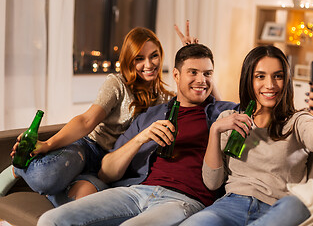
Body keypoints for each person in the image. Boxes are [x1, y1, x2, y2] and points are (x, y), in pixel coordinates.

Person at [37, 43, 237, 226]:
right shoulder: (151, 115)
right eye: (193, 72)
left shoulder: (225, 114)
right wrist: (142, 137)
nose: (201, 80)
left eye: (208, 73)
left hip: (184, 200)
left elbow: (259, 115)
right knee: (51, 220)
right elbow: (106, 172)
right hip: (136, 192)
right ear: (176, 75)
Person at [0, 26, 189, 205]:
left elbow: (204, 100)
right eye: (139, 58)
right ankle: (19, 168)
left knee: (86, 202)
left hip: (115, 167)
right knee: (44, 178)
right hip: (89, 149)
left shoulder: (166, 98)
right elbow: (86, 121)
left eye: (154, 56)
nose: (148, 64)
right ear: (129, 60)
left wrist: (192, 58)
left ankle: (64, 184)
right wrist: (48, 144)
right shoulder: (117, 84)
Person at [179, 45, 313, 226]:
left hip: (277, 208)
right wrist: (215, 131)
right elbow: (212, 183)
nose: (270, 85)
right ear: (248, 80)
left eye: (278, 76)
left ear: (286, 80)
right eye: (260, 76)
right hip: (229, 207)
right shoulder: (228, 119)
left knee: (298, 204)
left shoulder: (297, 121)